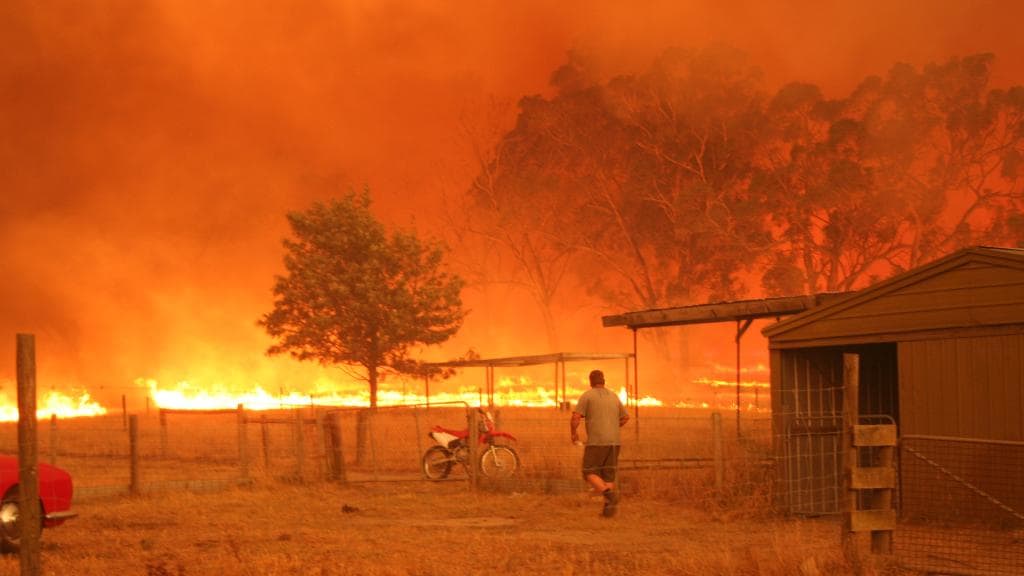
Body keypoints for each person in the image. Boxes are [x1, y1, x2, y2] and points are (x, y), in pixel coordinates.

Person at [570, 369, 629, 517]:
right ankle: (608, 512)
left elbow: (576, 418)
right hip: (615, 442)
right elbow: (625, 417)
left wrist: (573, 433)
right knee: (608, 475)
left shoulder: (587, 396)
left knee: (588, 471)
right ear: (604, 381)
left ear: (590, 381)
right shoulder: (614, 396)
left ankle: (610, 495)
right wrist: (613, 427)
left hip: (597, 442)